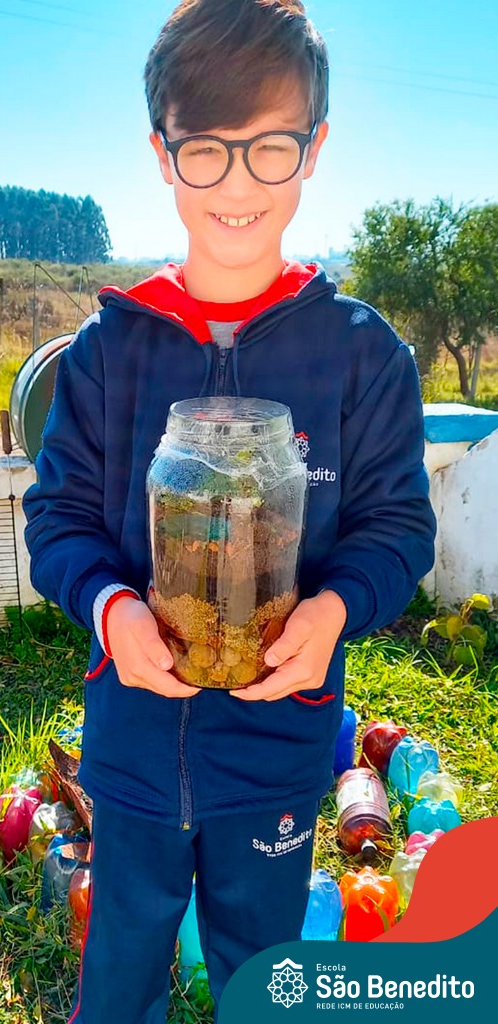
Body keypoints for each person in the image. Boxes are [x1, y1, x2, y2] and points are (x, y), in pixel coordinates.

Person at [23, 1, 436, 1021]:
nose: (238, 184)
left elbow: (397, 531)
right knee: (120, 964)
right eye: (205, 149)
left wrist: (331, 613)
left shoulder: (361, 356)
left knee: (263, 968)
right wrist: (114, 611)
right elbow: (58, 519)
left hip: (277, 745)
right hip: (131, 746)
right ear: (162, 154)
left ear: (314, 148)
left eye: (270, 147)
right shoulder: (108, 352)